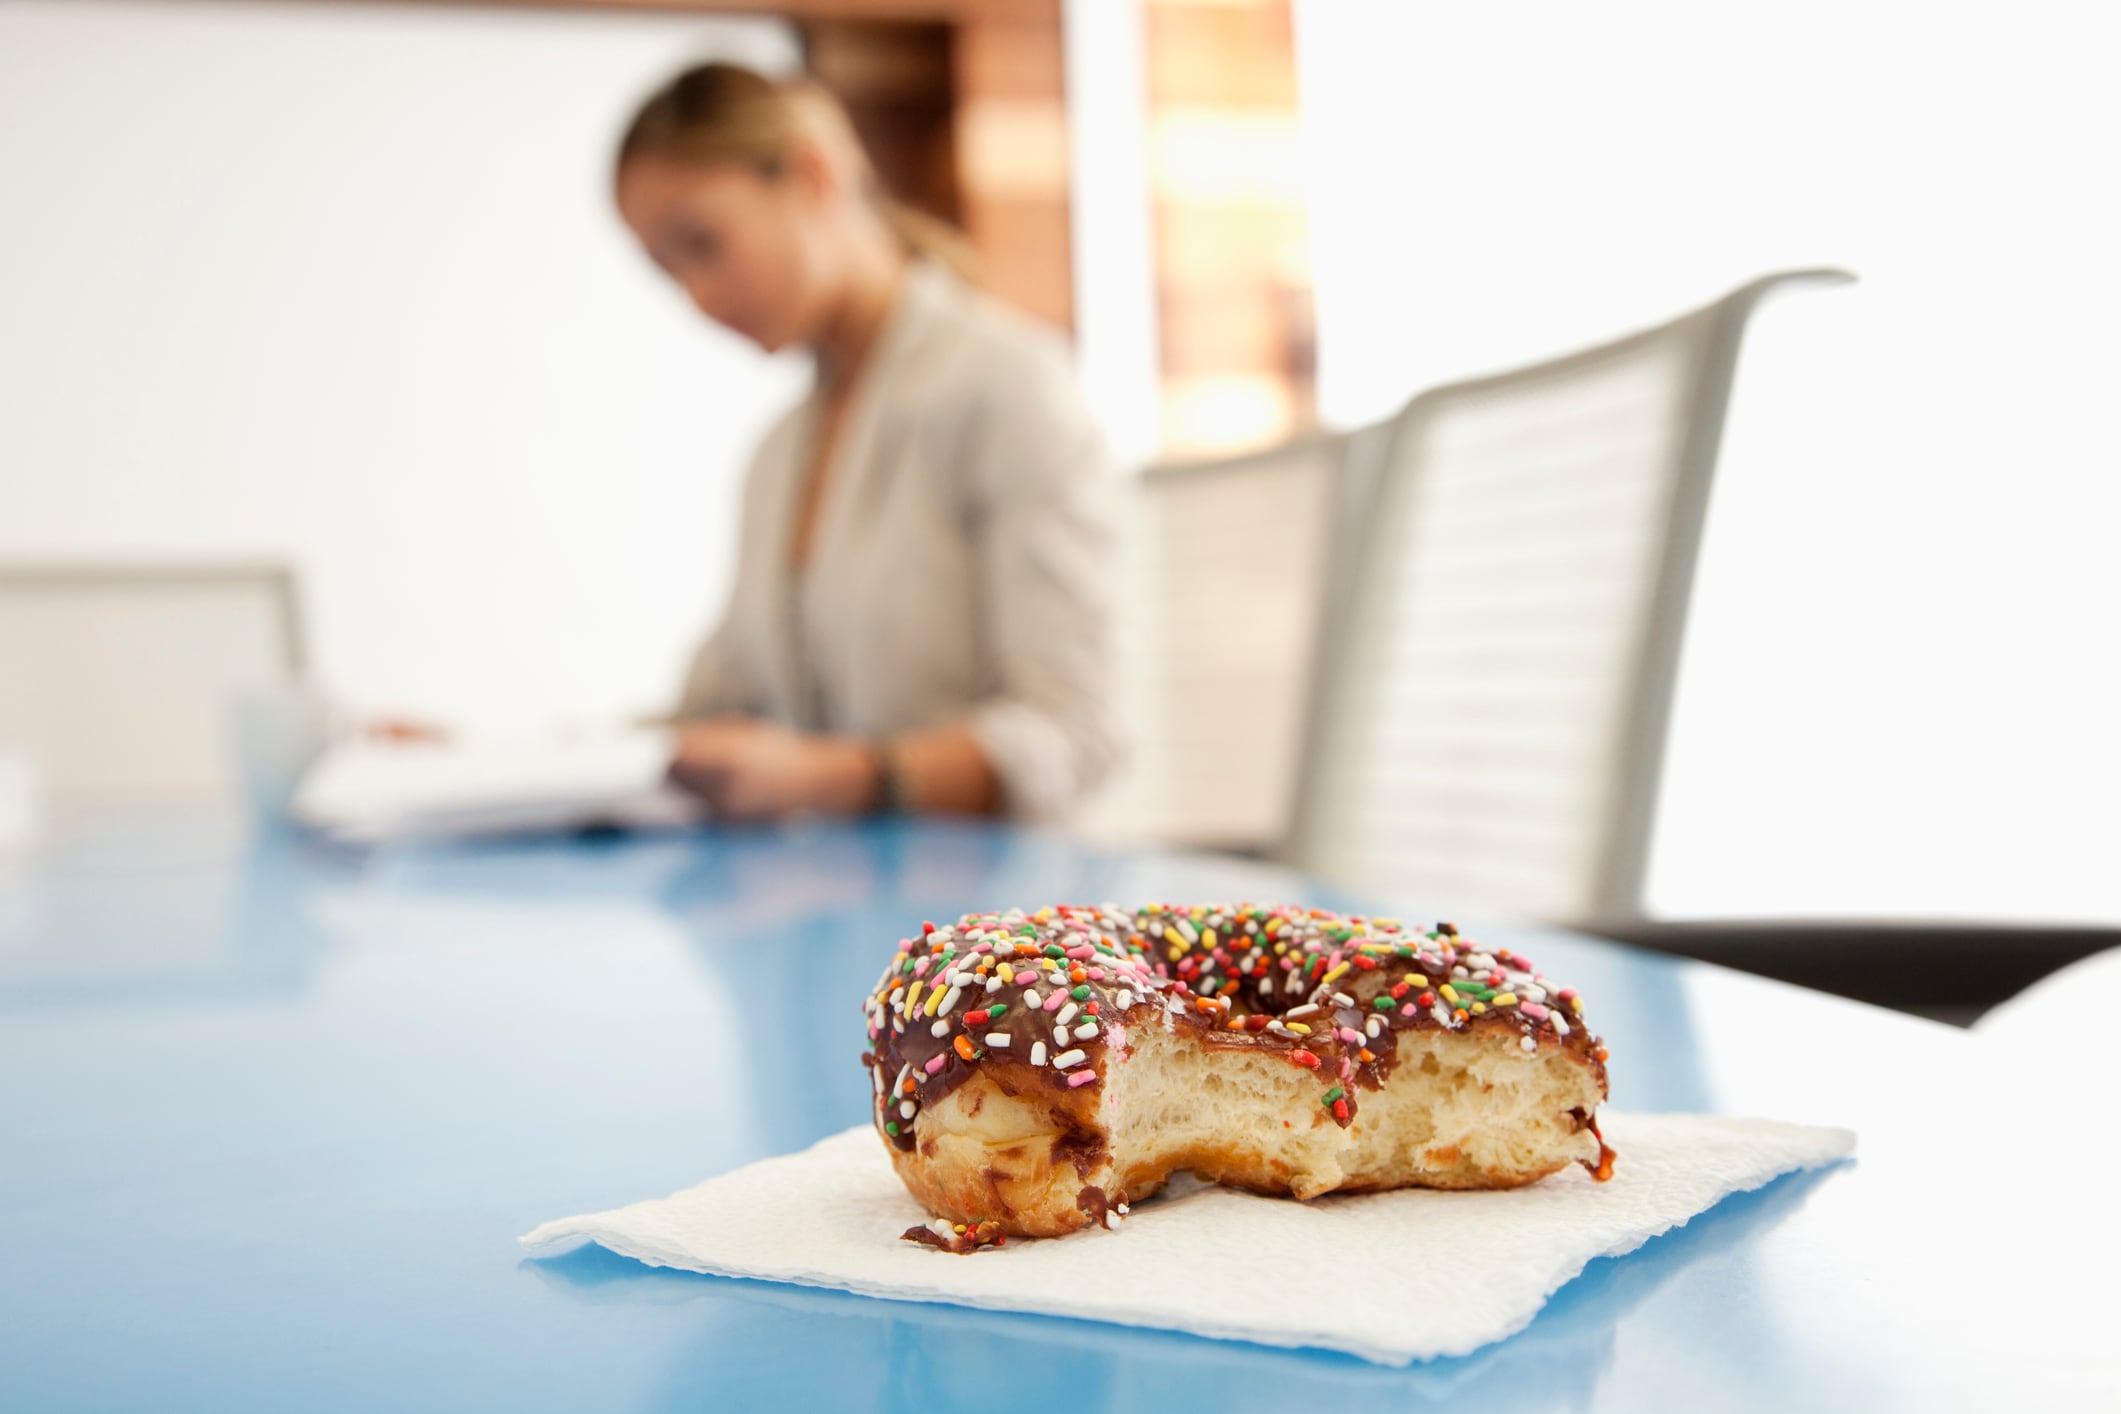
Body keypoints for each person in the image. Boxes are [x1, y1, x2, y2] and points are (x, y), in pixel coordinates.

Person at [613, 63, 1122, 824]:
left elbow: (1076, 733)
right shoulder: (779, 453)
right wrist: (487, 758)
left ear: (812, 173)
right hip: (839, 896)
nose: (697, 297)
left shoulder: (1004, 385)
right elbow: (714, 713)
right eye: (667, 272)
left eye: (701, 244)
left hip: (999, 921)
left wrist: (836, 777)